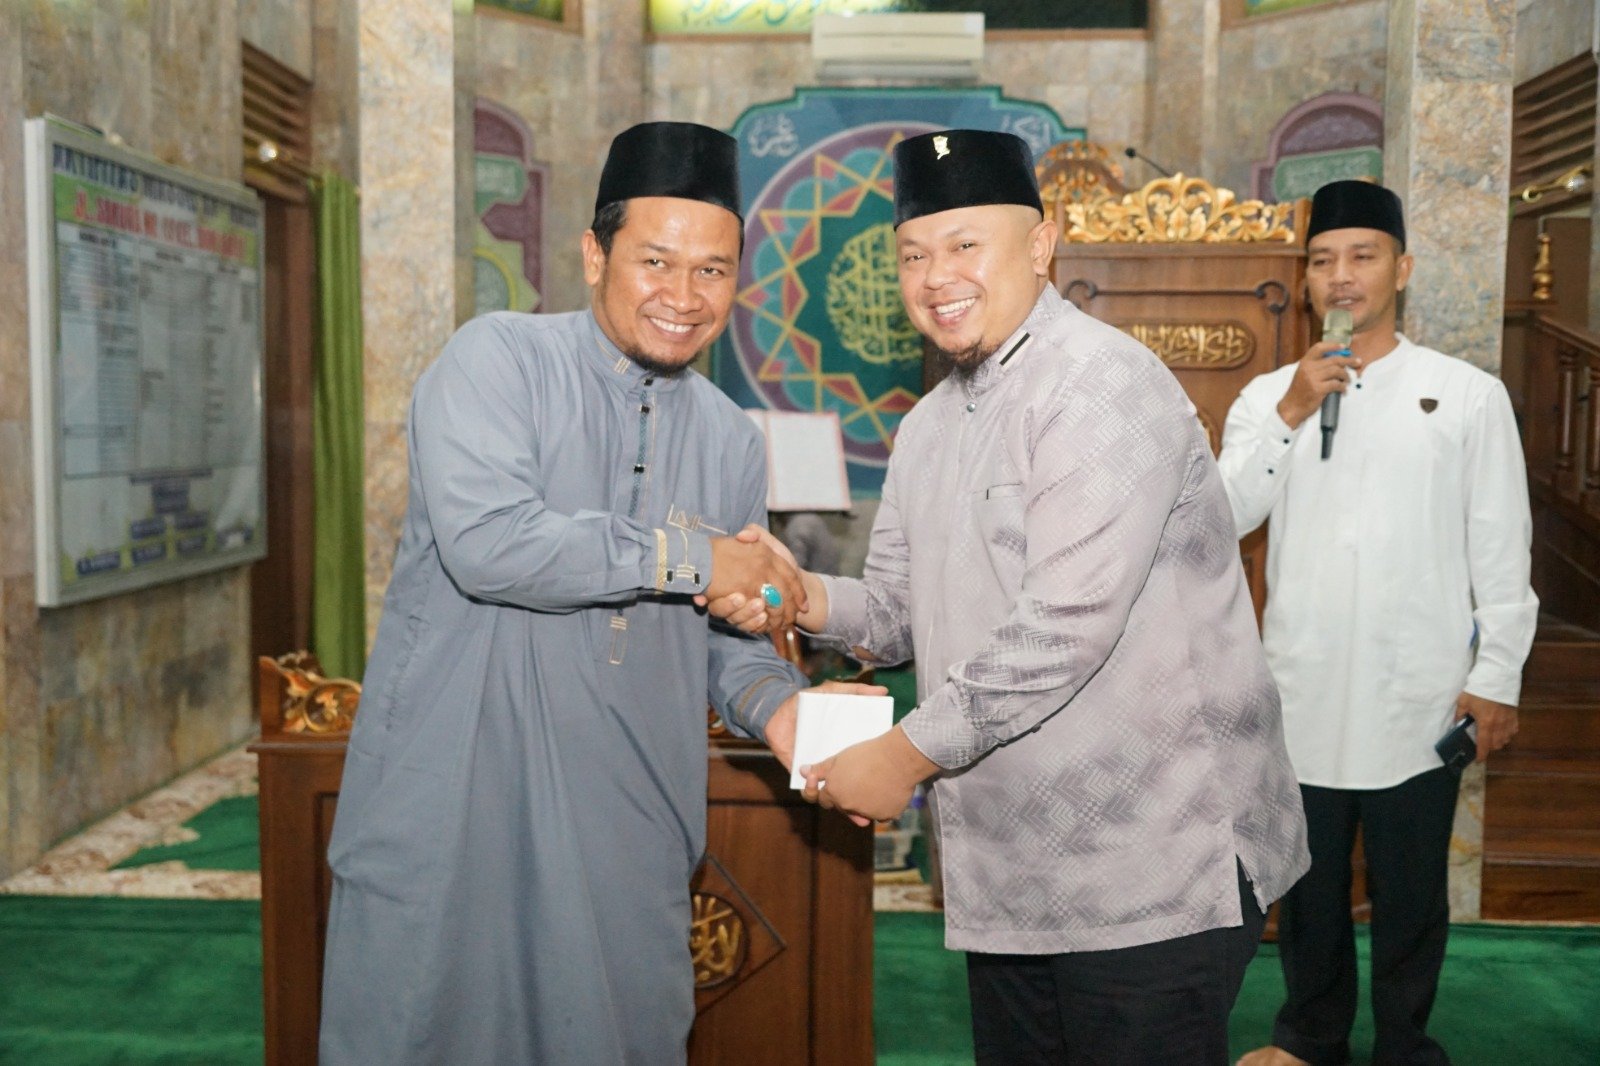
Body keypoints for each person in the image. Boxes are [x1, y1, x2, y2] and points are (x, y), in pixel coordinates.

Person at [720, 129, 1310, 1064]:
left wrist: (901, 758)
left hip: (1152, 862)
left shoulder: (1101, 383)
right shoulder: (928, 425)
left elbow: (1065, 626)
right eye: (914, 254)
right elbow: (900, 611)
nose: (936, 276)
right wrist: (801, 596)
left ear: (1042, 246)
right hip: (1015, 872)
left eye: (966, 245)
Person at [319, 121, 880, 1066]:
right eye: (655, 261)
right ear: (593, 255)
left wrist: (784, 714)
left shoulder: (731, 441)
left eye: (712, 270)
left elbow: (727, 644)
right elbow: (492, 545)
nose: (683, 296)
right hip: (456, 810)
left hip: (625, 826)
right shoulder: (496, 361)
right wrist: (697, 559)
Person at [1220, 180, 1538, 1066]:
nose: (1341, 276)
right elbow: (1223, 515)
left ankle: (1405, 1044)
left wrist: (1497, 677)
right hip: (1303, 691)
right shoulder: (1267, 397)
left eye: (1362, 256)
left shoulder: (1466, 395)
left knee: (1411, 894)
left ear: (1402, 269)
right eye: (1323, 260)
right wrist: (1292, 410)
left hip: (1420, 694)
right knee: (1309, 891)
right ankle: (1311, 1038)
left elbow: (1502, 549)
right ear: (1306, 279)